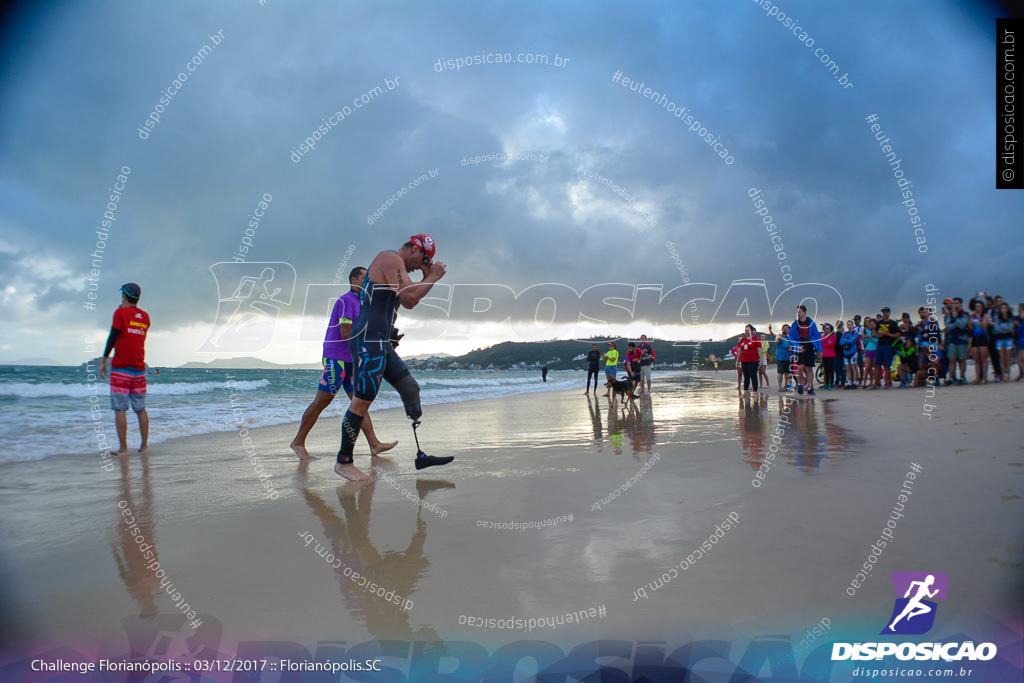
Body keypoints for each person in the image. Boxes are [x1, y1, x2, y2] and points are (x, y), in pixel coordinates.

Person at [336, 235, 451, 481]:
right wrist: (432, 276)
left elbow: (409, 296)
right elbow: (409, 299)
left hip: (381, 341)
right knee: (362, 400)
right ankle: (343, 461)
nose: (421, 265)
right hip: (368, 339)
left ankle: (420, 453)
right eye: (423, 259)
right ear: (414, 249)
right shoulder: (390, 258)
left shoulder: (397, 267)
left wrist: (425, 276)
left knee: (410, 388)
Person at [291, 267, 396, 460]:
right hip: (336, 359)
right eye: (364, 278)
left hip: (351, 360)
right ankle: (298, 442)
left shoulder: (364, 304)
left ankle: (374, 444)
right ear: (353, 279)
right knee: (322, 401)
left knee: (359, 403)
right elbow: (346, 333)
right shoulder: (346, 300)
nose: (367, 283)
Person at [99, 283, 151, 455]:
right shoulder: (145, 317)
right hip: (139, 369)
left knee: (120, 410)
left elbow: (113, 336)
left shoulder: (120, 313)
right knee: (140, 409)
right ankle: (144, 447)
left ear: (124, 296)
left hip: (121, 368)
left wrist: (104, 360)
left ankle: (123, 449)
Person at [787, 305, 822, 396]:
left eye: (800, 312)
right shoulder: (795, 324)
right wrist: (796, 345)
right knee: (800, 366)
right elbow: (791, 336)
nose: (798, 314)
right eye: (797, 312)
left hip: (810, 346)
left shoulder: (811, 322)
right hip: (800, 346)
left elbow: (817, 336)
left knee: (809, 368)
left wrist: (819, 349)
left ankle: (810, 387)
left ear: (805, 312)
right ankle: (800, 383)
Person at [944, 297, 969, 385]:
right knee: (952, 360)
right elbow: (947, 327)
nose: (955, 305)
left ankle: (962, 377)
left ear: (961, 304)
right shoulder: (950, 315)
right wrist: (956, 322)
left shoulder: (965, 314)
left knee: (962, 360)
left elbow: (962, 325)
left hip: (962, 339)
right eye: (954, 303)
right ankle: (950, 378)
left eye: (957, 303)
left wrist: (955, 319)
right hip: (952, 340)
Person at [874, 307, 900, 389]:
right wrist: (879, 335)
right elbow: (874, 333)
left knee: (887, 365)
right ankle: (877, 382)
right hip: (880, 345)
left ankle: (887, 381)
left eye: (886, 312)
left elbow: (898, 334)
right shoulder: (879, 323)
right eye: (883, 312)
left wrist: (887, 334)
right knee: (877, 364)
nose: (884, 314)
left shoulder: (893, 323)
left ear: (889, 313)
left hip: (888, 345)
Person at [736, 324, 762, 399]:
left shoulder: (756, 339)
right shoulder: (743, 340)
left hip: (753, 361)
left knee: (753, 376)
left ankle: (755, 392)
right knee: (746, 377)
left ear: (751, 331)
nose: (746, 332)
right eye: (745, 330)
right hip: (744, 361)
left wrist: (761, 360)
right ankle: (745, 391)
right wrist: (737, 361)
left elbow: (759, 350)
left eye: (748, 330)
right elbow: (740, 351)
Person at [991, 302, 1015, 384]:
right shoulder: (997, 318)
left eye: (1005, 308)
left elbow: (1010, 328)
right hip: (1000, 339)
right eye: (1002, 308)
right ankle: (1003, 375)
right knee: (1002, 359)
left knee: (1008, 359)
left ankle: (1008, 376)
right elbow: (997, 329)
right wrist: (1004, 328)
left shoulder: (1010, 318)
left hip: (1008, 339)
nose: (1004, 310)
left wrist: (1003, 328)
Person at [969, 300, 990, 384]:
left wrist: (979, 318)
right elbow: (969, 326)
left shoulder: (985, 315)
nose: (978, 308)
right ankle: (978, 377)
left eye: (979, 306)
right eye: (976, 307)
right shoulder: (973, 315)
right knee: (977, 359)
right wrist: (971, 317)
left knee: (983, 359)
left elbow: (984, 327)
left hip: (983, 337)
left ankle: (984, 377)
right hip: (975, 338)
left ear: (982, 307)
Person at [840, 320, 861, 389]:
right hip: (845, 353)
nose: (849, 326)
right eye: (848, 325)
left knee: (854, 367)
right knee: (848, 368)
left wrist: (845, 340)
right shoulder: (845, 333)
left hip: (853, 352)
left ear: (852, 325)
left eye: (850, 325)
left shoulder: (855, 333)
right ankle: (849, 383)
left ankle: (854, 383)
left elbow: (853, 341)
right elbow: (841, 342)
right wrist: (847, 341)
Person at [771, 324, 792, 391]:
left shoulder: (790, 337)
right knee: (780, 372)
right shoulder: (779, 336)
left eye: (786, 328)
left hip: (788, 356)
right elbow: (777, 342)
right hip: (780, 356)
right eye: (784, 328)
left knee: (787, 372)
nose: (785, 329)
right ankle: (780, 386)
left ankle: (786, 385)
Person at [862, 318, 879, 388]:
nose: (871, 325)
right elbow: (865, 342)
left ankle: (874, 382)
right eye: (870, 324)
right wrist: (864, 338)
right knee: (867, 367)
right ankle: (864, 382)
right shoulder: (868, 331)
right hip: (868, 349)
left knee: (875, 367)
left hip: (875, 349)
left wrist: (870, 338)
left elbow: (877, 341)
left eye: (872, 324)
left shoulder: (877, 332)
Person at [820, 323, 837, 390]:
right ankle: (826, 384)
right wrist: (826, 343)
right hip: (825, 355)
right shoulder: (824, 336)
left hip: (831, 355)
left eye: (828, 329)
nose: (826, 330)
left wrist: (824, 344)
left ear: (830, 329)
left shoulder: (833, 336)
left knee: (831, 370)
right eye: (825, 329)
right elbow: (822, 344)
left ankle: (831, 384)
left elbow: (831, 345)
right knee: (826, 370)